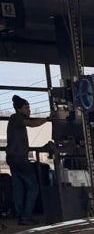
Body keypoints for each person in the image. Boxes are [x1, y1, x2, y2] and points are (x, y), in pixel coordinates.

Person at [4, 95, 54, 225]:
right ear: (19, 109)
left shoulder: (15, 120)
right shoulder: (16, 118)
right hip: (19, 158)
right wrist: (48, 119)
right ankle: (26, 216)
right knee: (33, 187)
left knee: (19, 187)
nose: (29, 110)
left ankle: (20, 215)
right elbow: (32, 123)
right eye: (27, 108)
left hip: (13, 158)